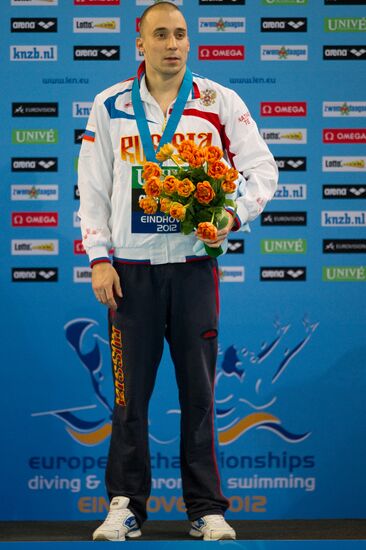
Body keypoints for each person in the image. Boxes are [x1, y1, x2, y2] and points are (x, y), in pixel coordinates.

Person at [78, 1, 278, 542]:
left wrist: (231, 215)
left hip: (194, 271)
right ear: (139, 43)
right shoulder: (109, 105)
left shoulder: (218, 101)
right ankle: (125, 504)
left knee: (200, 394)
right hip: (130, 275)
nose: (173, 44)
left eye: (181, 35)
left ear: (190, 43)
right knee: (128, 399)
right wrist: (98, 258)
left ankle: (207, 508)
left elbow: (262, 168)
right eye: (160, 34)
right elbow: (93, 190)